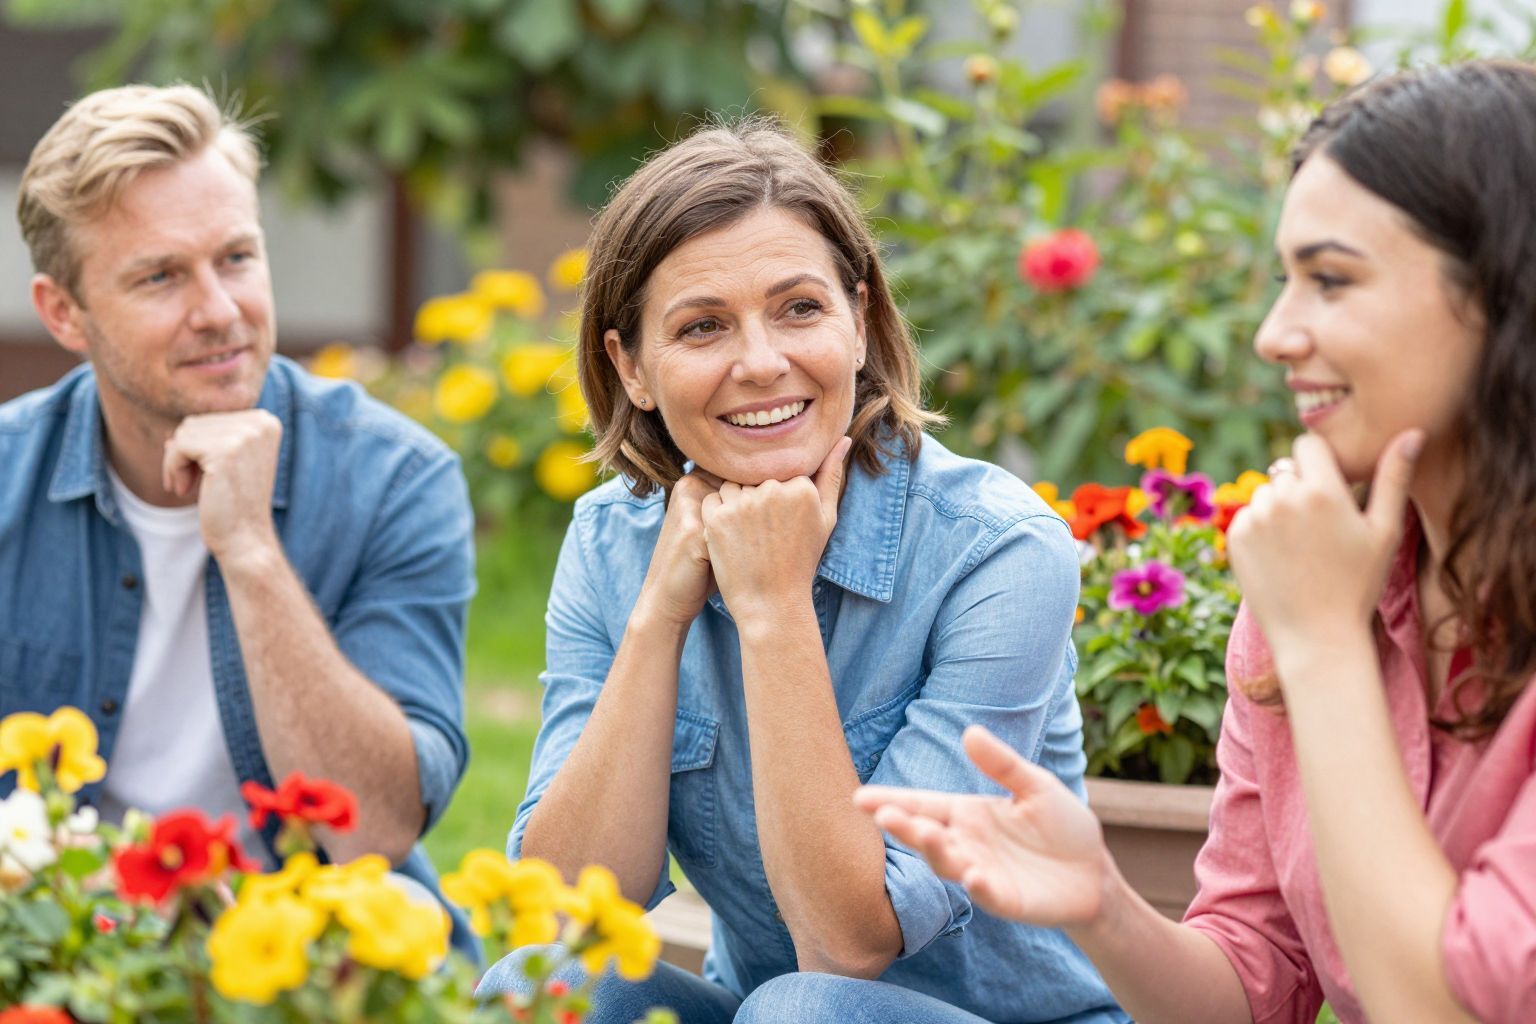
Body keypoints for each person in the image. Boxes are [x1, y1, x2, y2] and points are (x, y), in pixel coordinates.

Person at [855, 60, 1536, 1024]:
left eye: (1330, 281)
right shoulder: (1314, 575)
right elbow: (1256, 983)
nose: (1273, 334)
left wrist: (1324, 646)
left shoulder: (1312, 608)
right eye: (1283, 281)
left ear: (1506, 294)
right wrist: (1101, 904)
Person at [476, 119, 1125, 1024]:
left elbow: (847, 946)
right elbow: (562, 907)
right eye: (703, 327)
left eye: (799, 309)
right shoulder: (610, 542)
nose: (761, 362)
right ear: (632, 369)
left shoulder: (996, 550)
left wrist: (773, 604)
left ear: (860, 322)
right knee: (537, 991)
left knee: (806, 1009)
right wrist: (660, 615)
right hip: (765, 1011)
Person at [0, 84, 477, 955]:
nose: (220, 310)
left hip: (315, 968)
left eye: (237, 258)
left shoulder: (394, 479)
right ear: (64, 312)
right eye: (160, 276)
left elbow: (375, 828)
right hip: (58, 951)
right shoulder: (7, 481)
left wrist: (250, 550)